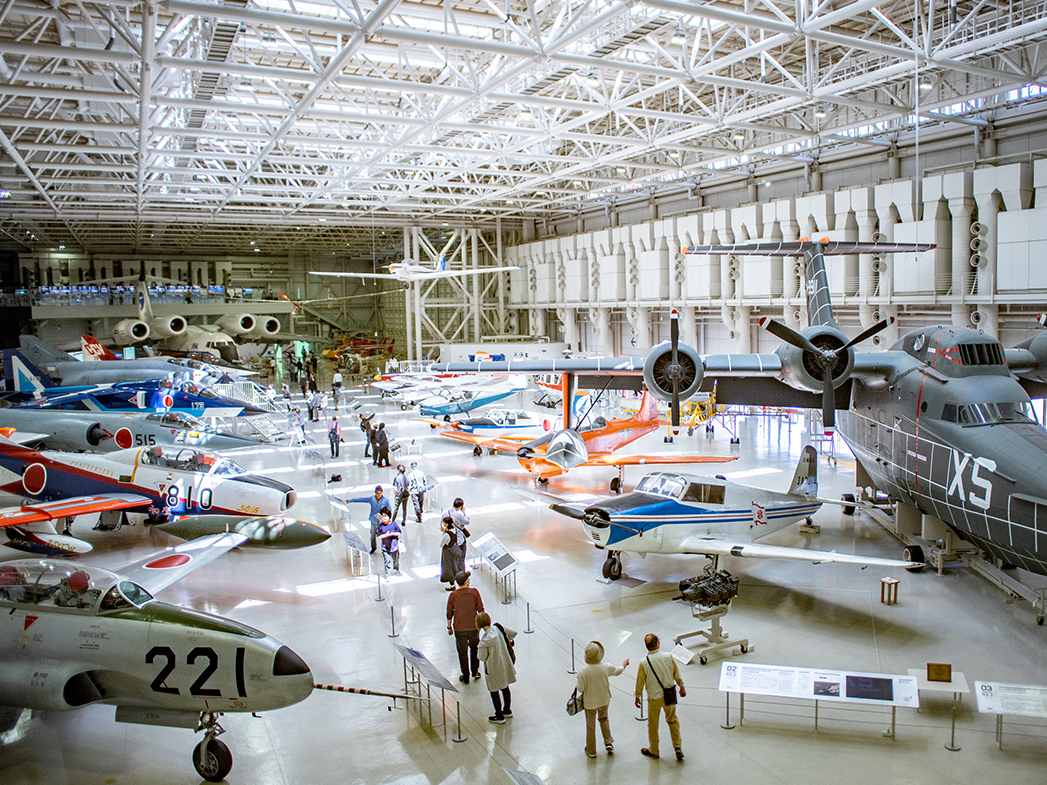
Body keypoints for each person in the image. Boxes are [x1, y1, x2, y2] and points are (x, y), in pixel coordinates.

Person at [634, 633, 686, 761]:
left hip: (654, 698)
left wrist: (637, 696)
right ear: (657, 644)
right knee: (672, 720)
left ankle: (654, 750)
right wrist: (681, 686)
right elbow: (676, 673)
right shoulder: (668, 656)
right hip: (669, 694)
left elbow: (640, 681)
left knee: (653, 725)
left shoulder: (644, 662)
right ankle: (677, 747)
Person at [577, 641, 629, 758]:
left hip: (589, 703)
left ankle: (591, 750)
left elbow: (580, 688)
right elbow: (617, 671)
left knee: (590, 726)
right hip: (604, 699)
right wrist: (624, 664)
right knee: (604, 719)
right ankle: (608, 742)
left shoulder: (583, 671)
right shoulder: (605, 667)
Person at [477, 611, 517, 724]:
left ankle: (499, 716)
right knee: (505, 687)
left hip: (492, 668)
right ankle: (507, 710)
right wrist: (509, 640)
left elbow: (482, 657)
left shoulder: (484, 642)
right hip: (504, 663)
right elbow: (513, 632)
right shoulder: (498, 628)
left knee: (494, 691)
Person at [446, 571, 484, 684]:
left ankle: (465, 676)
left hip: (459, 628)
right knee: (474, 648)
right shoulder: (474, 592)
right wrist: (482, 625)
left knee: (462, 652)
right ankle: (475, 672)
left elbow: (449, 613)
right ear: (466, 581)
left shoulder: (453, 595)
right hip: (473, 627)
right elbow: (481, 609)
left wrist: (449, 627)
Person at [345, 485, 393, 554]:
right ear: (375, 493)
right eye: (377, 493)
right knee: (372, 535)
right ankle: (373, 548)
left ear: (382, 492)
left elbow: (390, 510)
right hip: (373, 520)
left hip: (382, 522)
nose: (379, 495)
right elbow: (361, 499)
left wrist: (387, 518)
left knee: (383, 536)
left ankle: (384, 549)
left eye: (380, 493)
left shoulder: (386, 500)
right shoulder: (372, 499)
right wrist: (349, 500)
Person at [440, 516, 463, 590]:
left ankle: (452, 585)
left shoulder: (446, 535)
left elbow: (441, 544)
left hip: (448, 552)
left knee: (448, 567)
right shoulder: (454, 530)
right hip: (454, 550)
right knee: (455, 566)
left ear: (446, 524)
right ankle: (459, 580)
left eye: (444, 523)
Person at [376, 511, 402, 575]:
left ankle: (396, 570)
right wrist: (386, 535)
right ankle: (388, 573)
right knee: (387, 560)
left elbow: (399, 532)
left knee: (396, 559)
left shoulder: (394, 524)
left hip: (394, 545)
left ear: (389, 516)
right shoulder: (381, 526)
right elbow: (379, 535)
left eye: (385, 516)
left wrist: (392, 533)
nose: (384, 518)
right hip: (385, 546)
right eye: (383, 516)